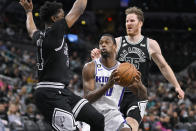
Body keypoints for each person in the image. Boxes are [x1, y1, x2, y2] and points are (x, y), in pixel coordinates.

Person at [91, 7, 185, 131]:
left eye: (132, 21)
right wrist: (96, 60)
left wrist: (177, 86)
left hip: (138, 94)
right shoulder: (118, 42)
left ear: (140, 23)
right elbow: (106, 65)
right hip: (117, 93)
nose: (128, 24)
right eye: (126, 21)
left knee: (132, 126)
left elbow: (163, 66)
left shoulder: (150, 44)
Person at [19, 0, 104, 131]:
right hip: (50, 94)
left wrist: (29, 12)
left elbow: (31, 30)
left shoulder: (41, 36)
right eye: (62, 16)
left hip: (62, 92)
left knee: (98, 119)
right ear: (54, 19)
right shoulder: (55, 31)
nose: (65, 18)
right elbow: (79, 9)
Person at [83, 34, 147, 131]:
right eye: (101, 43)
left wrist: (140, 85)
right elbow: (88, 98)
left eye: (107, 42)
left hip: (112, 114)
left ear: (115, 46)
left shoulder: (123, 70)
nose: (103, 45)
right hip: (92, 112)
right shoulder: (90, 67)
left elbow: (142, 97)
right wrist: (107, 86)